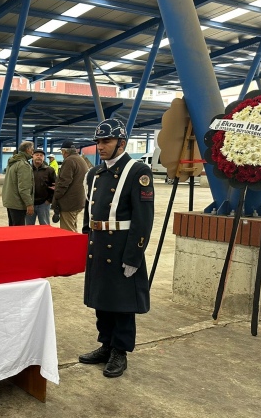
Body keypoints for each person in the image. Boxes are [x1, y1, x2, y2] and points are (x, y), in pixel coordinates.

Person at [79, 118, 154, 379]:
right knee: (102, 299)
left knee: (122, 303)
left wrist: (134, 255)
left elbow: (143, 219)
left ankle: (120, 351)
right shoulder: (94, 174)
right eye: (98, 141)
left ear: (121, 143)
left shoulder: (137, 171)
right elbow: (89, 211)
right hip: (99, 245)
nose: (100, 146)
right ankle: (106, 344)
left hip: (122, 246)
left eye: (106, 141)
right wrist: (86, 239)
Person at [52, 140, 88, 232]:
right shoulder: (80, 159)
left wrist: (56, 195)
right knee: (73, 228)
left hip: (68, 203)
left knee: (67, 231)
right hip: (78, 201)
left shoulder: (69, 161)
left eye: (62, 152)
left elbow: (64, 182)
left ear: (64, 151)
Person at [2, 141, 35, 226]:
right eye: (32, 149)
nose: (33, 151)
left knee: (13, 228)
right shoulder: (23, 165)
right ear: (28, 149)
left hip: (10, 202)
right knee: (19, 230)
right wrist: (29, 204)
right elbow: (24, 188)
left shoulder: (12, 162)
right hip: (18, 203)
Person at [26, 148, 56, 225]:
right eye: (37, 155)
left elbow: (55, 186)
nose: (39, 157)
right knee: (28, 227)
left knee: (45, 226)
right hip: (30, 204)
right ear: (32, 156)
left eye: (41, 155)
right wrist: (27, 202)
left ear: (44, 158)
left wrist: (49, 200)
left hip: (44, 204)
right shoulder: (27, 169)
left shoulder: (50, 170)